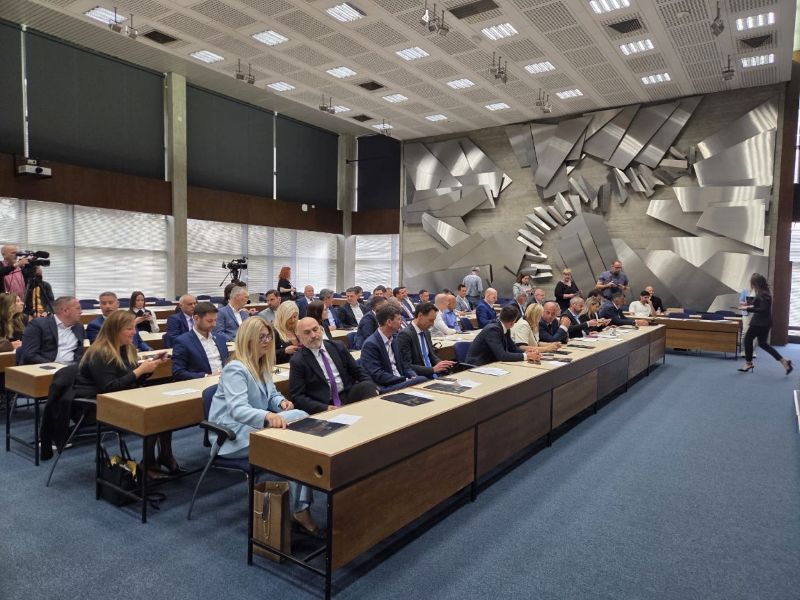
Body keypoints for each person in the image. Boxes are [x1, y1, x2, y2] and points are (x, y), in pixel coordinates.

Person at [208, 317, 323, 538]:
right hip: (233, 436)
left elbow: (271, 394)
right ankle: (301, 510)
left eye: (269, 336)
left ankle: (301, 509)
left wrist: (280, 403)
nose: (267, 340)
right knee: (300, 424)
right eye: (261, 337)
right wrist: (269, 416)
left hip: (257, 429)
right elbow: (237, 410)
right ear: (248, 339)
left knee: (297, 443)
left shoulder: (261, 364)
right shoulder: (235, 368)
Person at [74, 310, 174, 477]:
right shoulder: (101, 353)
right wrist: (139, 371)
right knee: (153, 414)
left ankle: (165, 456)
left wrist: (149, 368)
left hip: (118, 399)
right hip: (96, 406)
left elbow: (132, 382)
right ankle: (149, 464)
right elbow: (109, 388)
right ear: (115, 330)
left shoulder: (126, 349)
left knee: (163, 409)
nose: (134, 332)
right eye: (129, 329)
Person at [289, 317, 378, 414]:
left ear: (321, 329)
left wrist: (372, 386)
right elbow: (298, 397)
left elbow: (358, 371)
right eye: (307, 333)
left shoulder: (337, 346)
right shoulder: (298, 361)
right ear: (299, 337)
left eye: (315, 329)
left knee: (368, 386)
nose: (313, 335)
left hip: (347, 394)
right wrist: (324, 408)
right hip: (322, 403)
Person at [360, 303, 429, 392]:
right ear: (389, 322)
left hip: (400, 380)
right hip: (386, 386)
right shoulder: (371, 344)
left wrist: (413, 376)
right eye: (399, 319)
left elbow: (405, 366)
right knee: (422, 380)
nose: (402, 322)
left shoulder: (395, 339)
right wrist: (404, 379)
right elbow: (378, 375)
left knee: (420, 379)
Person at [738, 273, 792, 375]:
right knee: (763, 343)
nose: (751, 284)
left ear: (755, 283)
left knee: (748, 339)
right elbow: (756, 302)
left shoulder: (763, 294)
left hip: (759, 323)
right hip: (764, 323)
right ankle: (784, 361)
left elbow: (763, 309)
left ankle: (748, 363)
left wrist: (748, 308)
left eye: (752, 282)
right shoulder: (763, 292)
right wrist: (747, 304)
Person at [171, 301, 229, 381]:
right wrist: (207, 376)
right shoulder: (182, 342)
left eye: (215, 320)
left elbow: (227, 364)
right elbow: (178, 373)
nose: (214, 324)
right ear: (196, 318)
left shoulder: (220, 339)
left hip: (225, 382)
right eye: (209, 321)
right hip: (202, 383)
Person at [397, 302, 455, 379]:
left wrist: (441, 363)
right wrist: (432, 369)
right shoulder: (405, 335)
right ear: (420, 316)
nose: (432, 324)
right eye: (430, 320)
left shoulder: (426, 332)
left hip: (434, 374)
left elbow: (431, 355)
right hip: (420, 377)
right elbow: (407, 366)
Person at [465, 305, 539, 366]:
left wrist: (526, 351)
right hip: (477, 366)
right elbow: (502, 355)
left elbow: (512, 348)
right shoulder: (493, 330)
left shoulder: (505, 327)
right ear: (513, 322)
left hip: (491, 363)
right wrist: (527, 356)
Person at [21, 296, 84, 365]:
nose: (81, 312)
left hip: (73, 369)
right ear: (66, 311)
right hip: (45, 368)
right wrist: (53, 366)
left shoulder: (79, 327)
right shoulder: (38, 325)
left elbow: (79, 353)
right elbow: (30, 354)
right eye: (78, 308)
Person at [86, 292, 151, 351]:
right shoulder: (94, 326)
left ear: (117, 304)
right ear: (100, 306)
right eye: (104, 303)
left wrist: (149, 350)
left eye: (111, 303)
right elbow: (101, 349)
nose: (108, 306)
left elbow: (139, 342)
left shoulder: (128, 320)